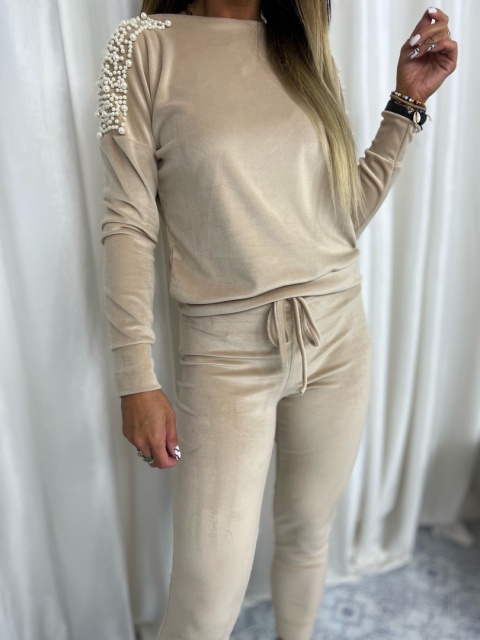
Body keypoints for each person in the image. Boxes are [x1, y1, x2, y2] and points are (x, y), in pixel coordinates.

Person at [95, 2, 457, 638]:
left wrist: (406, 105)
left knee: (307, 535)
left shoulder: (304, 50)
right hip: (223, 355)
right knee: (205, 601)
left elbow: (340, 218)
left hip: (339, 336)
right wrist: (135, 378)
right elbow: (127, 220)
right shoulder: (141, 45)